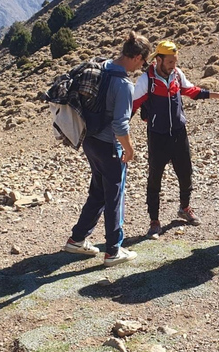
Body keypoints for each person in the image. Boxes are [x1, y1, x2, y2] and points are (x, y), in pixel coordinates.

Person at [62, 31, 152, 266]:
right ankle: (113, 250)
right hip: (109, 146)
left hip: (89, 140)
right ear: (137, 57)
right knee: (114, 195)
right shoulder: (123, 84)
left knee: (99, 191)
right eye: (143, 61)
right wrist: (129, 150)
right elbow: (120, 125)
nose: (142, 66)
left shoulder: (102, 67)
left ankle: (78, 238)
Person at [132, 40, 219, 237]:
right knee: (155, 178)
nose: (173, 66)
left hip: (179, 132)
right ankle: (154, 220)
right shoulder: (147, 80)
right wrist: (119, 130)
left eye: (175, 62)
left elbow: (191, 91)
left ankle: (184, 208)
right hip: (157, 135)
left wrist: (216, 95)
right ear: (158, 60)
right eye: (170, 62)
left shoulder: (177, 74)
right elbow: (133, 105)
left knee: (186, 173)